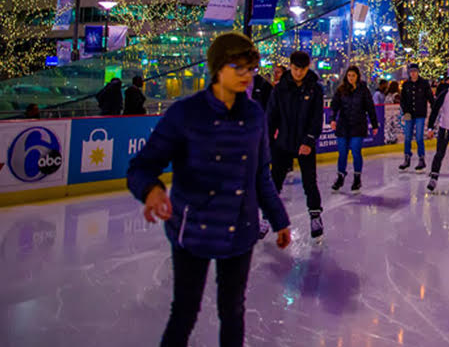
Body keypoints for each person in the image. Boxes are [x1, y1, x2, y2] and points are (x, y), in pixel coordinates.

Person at [127, 33, 290, 347]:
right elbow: (142, 166)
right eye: (238, 67)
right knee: (185, 312)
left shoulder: (255, 115)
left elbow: (261, 176)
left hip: (240, 231)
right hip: (193, 232)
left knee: (233, 311)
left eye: (251, 69)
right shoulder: (186, 114)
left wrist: (279, 220)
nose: (246, 76)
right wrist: (150, 190)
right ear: (217, 68)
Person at [266, 50, 325, 240]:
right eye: (295, 68)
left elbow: (316, 118)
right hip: (283, 142)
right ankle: (267, 217)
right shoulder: (280, 89)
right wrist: (268, 142)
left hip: (305, 144)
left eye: (302, 69)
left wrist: (309, 141)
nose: (298, 73)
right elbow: (271, 116)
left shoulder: (314, 89)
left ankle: (315, 216)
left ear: (307, 68)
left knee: (310, 182)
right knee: (274, 181)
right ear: (290, 66)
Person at [330, 66, 380, 192]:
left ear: (357, 76)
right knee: (342, 153)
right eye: (349, 75)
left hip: (358, 125)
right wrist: (332, 119)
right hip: (343, 126)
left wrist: (374, 124)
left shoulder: (363, 90)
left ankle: (357, 178)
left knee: (356, 151)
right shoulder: (341, 90)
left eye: (353, 75)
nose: (351, 78)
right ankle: (340, 176)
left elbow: (370, 108)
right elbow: (334, 105)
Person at [399, 64, 434, 171]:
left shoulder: (424, 84)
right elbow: (402, 100)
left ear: (418, 72)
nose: (413, 73)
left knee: (419, 137)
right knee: (408, 137)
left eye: (415, 71)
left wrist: (434, 108)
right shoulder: (406, 85)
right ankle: (407, 157)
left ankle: (421, 159)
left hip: (420, 114)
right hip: (409, 114)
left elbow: (430, 97)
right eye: (411, 71)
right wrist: (405, 112)